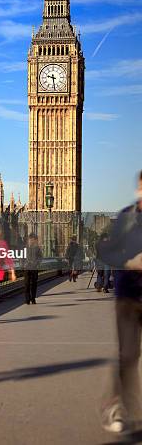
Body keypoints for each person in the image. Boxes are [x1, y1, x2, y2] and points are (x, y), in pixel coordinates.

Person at [97, 171, 142, 434]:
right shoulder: (125, 218)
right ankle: (115, 403)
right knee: (128, 353)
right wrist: (127, 262)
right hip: (127, 295)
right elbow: (104, 250)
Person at [24, 232, 43, 304]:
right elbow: (21, 257)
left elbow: (40, 257)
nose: (31, 240)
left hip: (34, 268)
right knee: (27, 284)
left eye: (33, 239)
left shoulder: (37, 248)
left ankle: (33, 298)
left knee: (34, 284)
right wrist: (23, 264)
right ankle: (27, 299)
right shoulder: (25, 248)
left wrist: (36, 263)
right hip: (27, 268)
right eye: (30, 239)